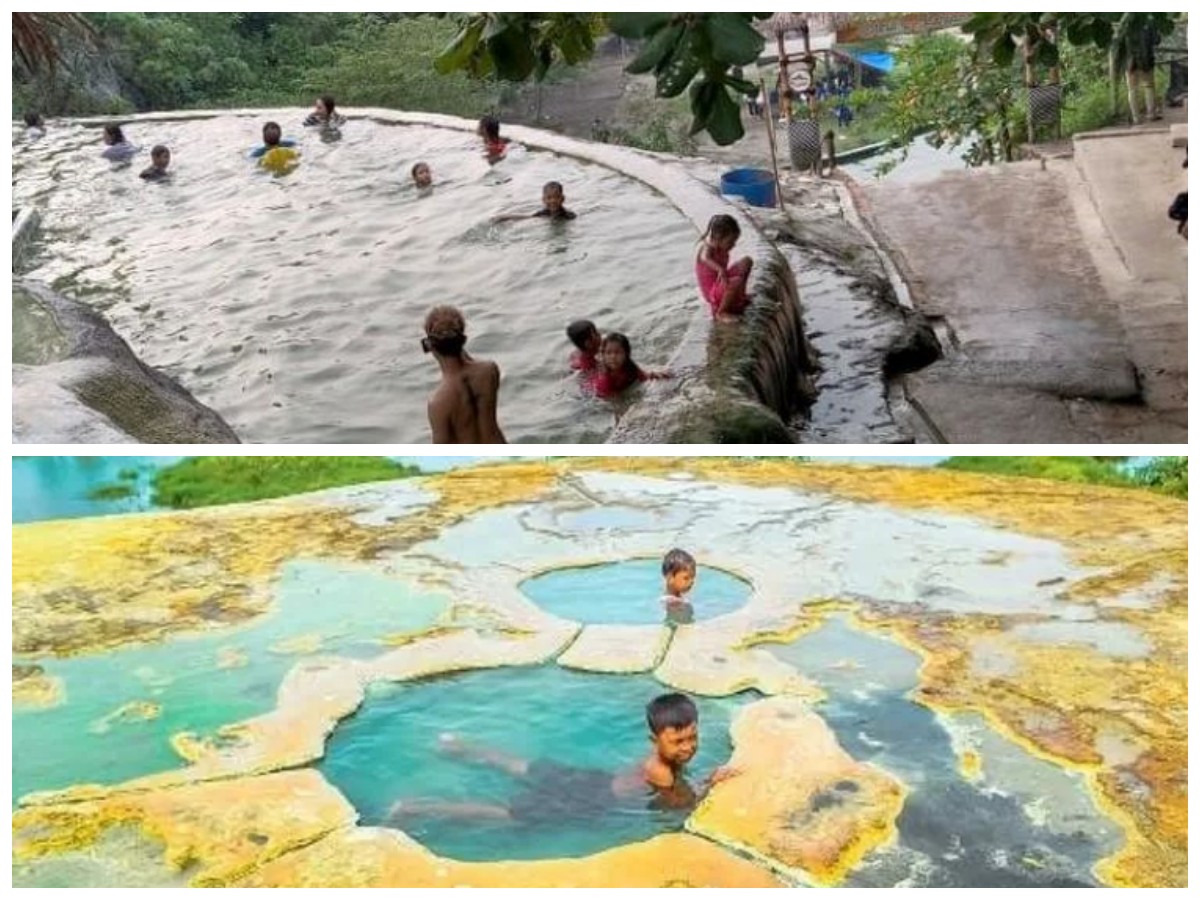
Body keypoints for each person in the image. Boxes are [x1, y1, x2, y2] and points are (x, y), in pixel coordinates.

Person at [385, 693, 739, 824]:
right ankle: (418, 808)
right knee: (508, 815)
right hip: (591, 799)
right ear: (654, 740)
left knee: (527, 768)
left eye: (692, 738)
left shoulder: (659, 759)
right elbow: (681, 807)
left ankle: (460, 747)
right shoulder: (661, 773)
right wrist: (709, 783)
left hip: (594, 780)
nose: (688, 747)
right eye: (678, 741)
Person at [423, 305, 506, 444]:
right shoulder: (489, 371)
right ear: (462, 338)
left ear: (430, 345)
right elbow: (465, 359)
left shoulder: (439, 403)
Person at [695, 214, 754, 322]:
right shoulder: (707, 247)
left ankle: (740, 297)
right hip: (712, 293)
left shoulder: (722, 249)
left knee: (747, 262)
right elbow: (704, 257)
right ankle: (721, 312)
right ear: (718, 238)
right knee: (735, 282)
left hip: (722, 285)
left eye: (734, 242)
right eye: (730, 242)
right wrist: (720, 269)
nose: (733, 245)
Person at [590, 333, 670, 399]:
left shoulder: (630, 366)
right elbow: (613, 402)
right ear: (603, 355)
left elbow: (643, 376)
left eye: (617, 352)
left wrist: (655, 375)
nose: (613, 357)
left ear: (626, 354)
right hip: (595, 395)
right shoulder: (605, 379)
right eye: (608, 353)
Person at [494, 181, 577, 223]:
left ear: (562, 199)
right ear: (543, 200)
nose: (553, 201)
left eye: (557, 197)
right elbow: (526, 217)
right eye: (549, 198)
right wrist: (503, 217)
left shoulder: (570, 216)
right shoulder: (543, 213)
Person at [661, 548, 697, 626]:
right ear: (670, 578)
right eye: (686, 578)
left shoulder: (677, 599)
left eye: (692, 577)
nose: (691, 582)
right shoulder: (672, 602)